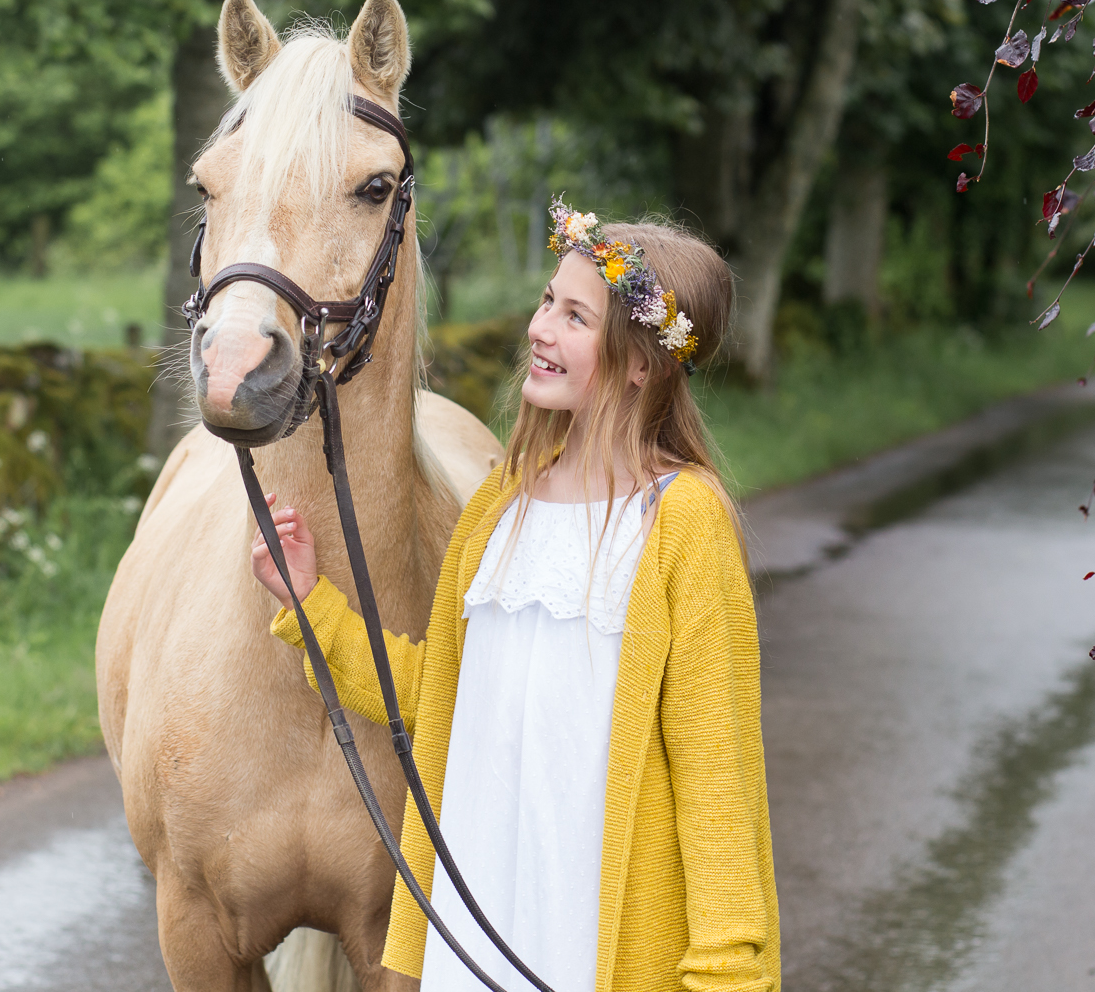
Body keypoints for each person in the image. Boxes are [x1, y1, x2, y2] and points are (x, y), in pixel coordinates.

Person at [250, 199, 779, 992]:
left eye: (575, 315)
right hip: (481, 920)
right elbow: (446, 699)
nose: (540, 328)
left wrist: (730, 975)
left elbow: (718, 783)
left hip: (597, 940)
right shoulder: (503, 503)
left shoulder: (682, 522)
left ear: (642, 362)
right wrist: (311, 604)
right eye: (545, 301)